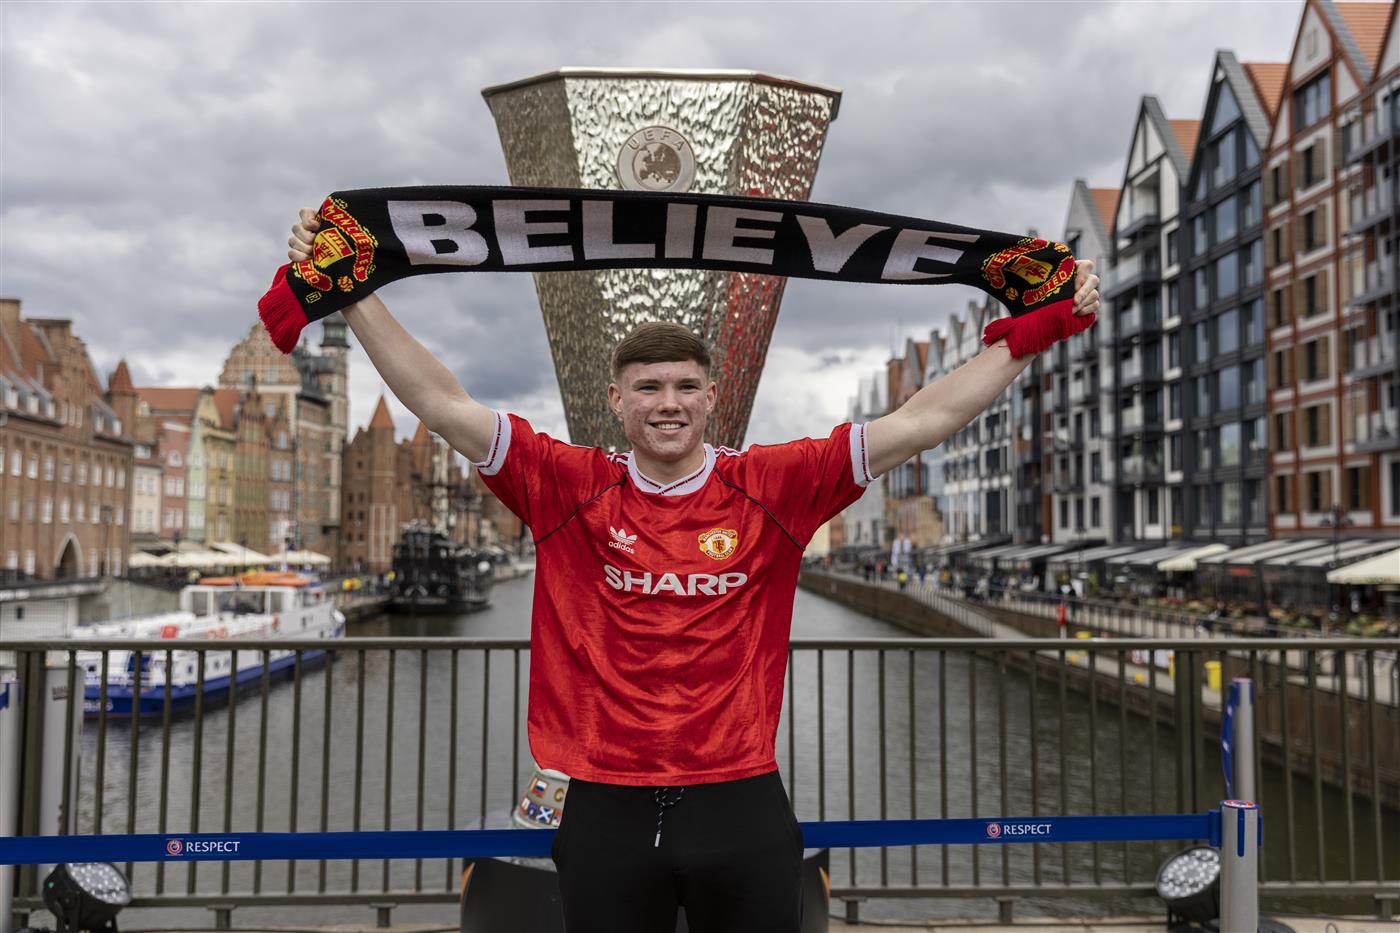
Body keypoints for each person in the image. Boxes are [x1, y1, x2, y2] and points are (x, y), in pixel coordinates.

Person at [287, 209, 1099, 933]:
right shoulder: (569, 484)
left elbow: (923, 419)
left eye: (683, 386)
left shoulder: (774, 483)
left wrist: (1030, 335)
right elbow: (443, 403)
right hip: (601, 797)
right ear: (617, 399)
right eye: (647, 387)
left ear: (712, 397)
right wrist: (354, 293)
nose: (666, 402)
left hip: (738, 794)